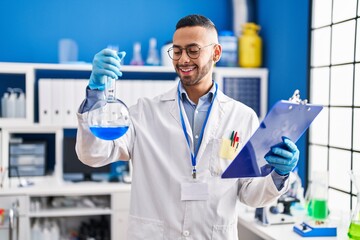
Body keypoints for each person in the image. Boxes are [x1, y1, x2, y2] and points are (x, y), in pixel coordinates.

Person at [76, 14, 299, 240]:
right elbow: (94, 154)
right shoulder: (144, 113)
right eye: (177, 50)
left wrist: (279, 174)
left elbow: (250, 193)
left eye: (193, 50)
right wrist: (95, 92)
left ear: (216, 53)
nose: (183, 59)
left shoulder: (242, 117)